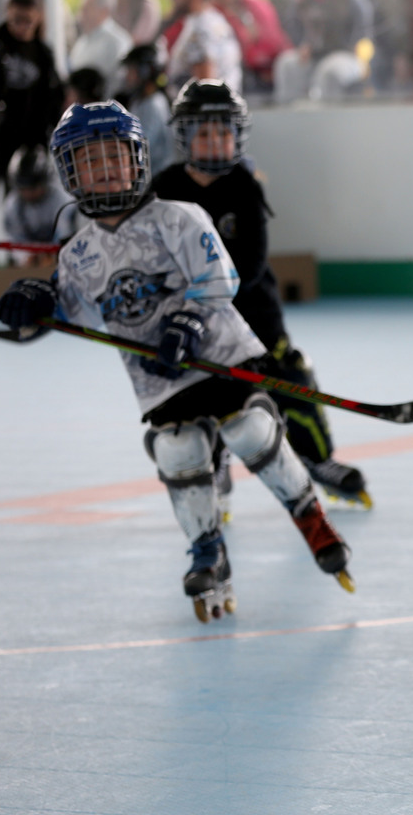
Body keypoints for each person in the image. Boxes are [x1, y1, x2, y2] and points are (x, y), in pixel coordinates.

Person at [0, 100, 354, 622]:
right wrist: (33, 303)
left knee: (250, 432)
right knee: (177, 450)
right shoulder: (76, 253)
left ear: (137, 159)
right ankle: (208, 549)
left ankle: (311, 518)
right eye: (89, 161)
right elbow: (67, 309)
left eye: (114, 156)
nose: (105, 169)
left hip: (220, 357)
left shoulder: (178, 217)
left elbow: (222, 278)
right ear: (71, 174)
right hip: (159, 380)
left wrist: (188, 322)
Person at [152, 78, 371, 509]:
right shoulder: (165, 190)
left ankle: (316, 459)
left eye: (223, 131)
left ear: (237, 135)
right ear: (185, 135)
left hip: (254, 313)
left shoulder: (244, 187)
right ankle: (213, 469)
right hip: (189, 320)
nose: (215, 141)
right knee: (201, 393)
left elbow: (251, 264)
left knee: (291, 380)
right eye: (205, 131)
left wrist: (211, 293)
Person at [0, 0, 64, 236]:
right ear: (8, 13)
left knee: (21, 202)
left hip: (26, 140)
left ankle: (18, 256)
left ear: (38, 17)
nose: (21, 27)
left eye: (28, 21)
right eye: (16, 20)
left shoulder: (43, 53)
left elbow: (54, 96)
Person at [272, 0, 373, 103]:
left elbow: (363, 27)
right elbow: (292, 24)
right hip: (316, 55)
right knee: (287, 64)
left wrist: (355, 49)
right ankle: (290, 115)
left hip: (347, 55)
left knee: (328, 71)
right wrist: (303, 44)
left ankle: (326, 118)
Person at [207, 0, 292, 93]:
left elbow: (273, 39)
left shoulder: (255, 4)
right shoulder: (214, 15)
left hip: (273, 64)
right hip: (246, 72)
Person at [165, 0, 243, 95]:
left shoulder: (200, 29)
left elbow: (206, 87)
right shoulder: (213, 19)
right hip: (224, 106)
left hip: (203, 110)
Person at [1, 143, 78, 264]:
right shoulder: (12, 205)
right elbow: (15, 238)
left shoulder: (61, 199)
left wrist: (52, 255)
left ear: (44, 182)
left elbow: (64, 233)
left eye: (32, 187)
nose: (28, 193)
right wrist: (26, 257)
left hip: (59, 257)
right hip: (28, 261)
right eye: (23, 188)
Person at [116, 43, 177, 175]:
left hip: (156, 178)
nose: (127, 77)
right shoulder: (139, 101)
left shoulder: (154, 104)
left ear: (145, 71)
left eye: (131, 70)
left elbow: (140, 146)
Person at [67, 0, 133, 93]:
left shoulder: (117, 42)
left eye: (86, 9)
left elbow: (118, 84)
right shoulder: (82, 42)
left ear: (104, 12)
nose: (81, 14)